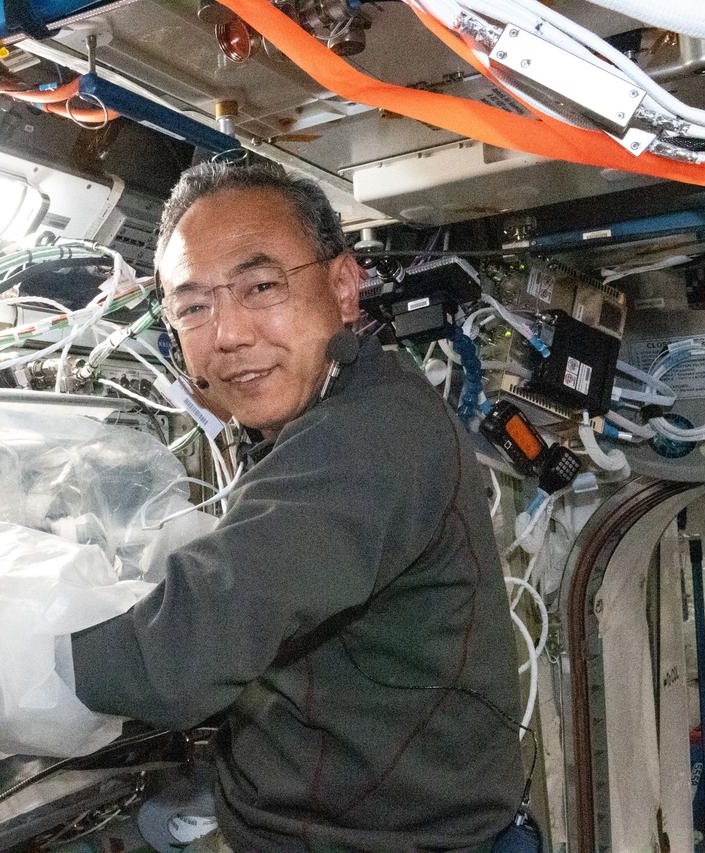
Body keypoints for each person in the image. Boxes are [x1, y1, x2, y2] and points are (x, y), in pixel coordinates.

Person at [71, 161, 524, 852]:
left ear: (344, 287)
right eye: (193, 305)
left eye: (260, 286)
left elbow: (186, 652)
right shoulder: (337, 410)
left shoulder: (372, 431)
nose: (227, 333)